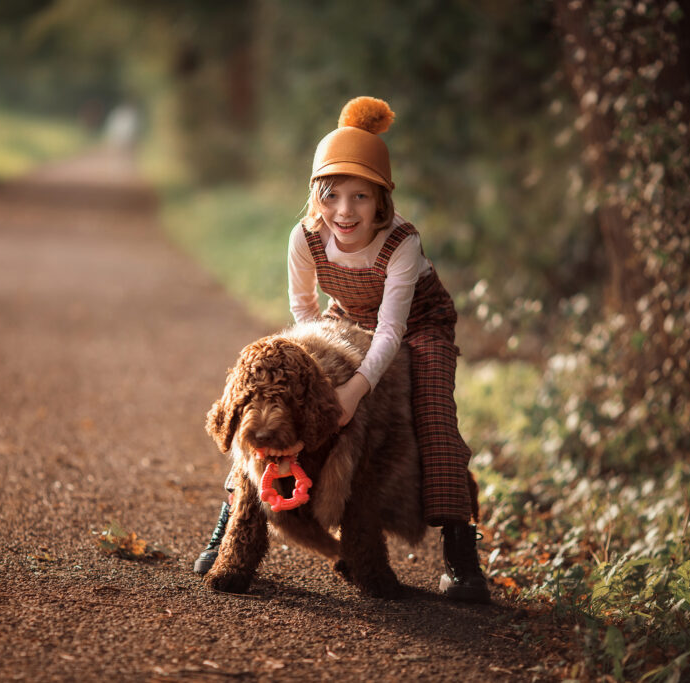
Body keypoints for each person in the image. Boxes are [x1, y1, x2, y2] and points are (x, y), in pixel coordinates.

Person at [194, 96, 490, 603]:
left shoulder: (401, 244)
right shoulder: (305, 238)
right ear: (315, 197)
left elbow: (392, 333)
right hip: (343, 321)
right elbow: (306, 316)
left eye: (360, 197)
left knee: (435, 417)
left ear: (382, 201)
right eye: (332, 196)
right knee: (279, 401)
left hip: (417, 326)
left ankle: (462, 559)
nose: (344, 211)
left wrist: (353, 391)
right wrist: (324, 374)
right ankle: (232, 525)